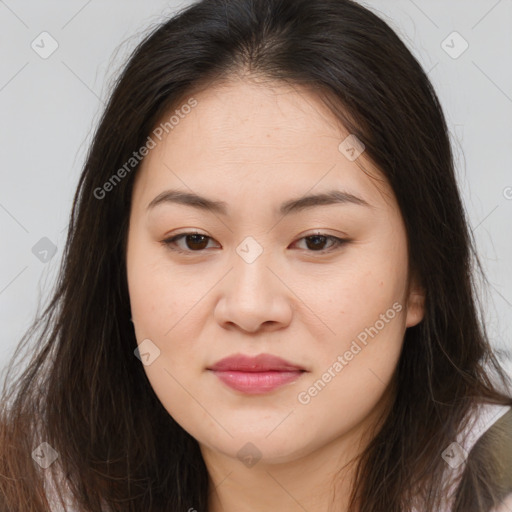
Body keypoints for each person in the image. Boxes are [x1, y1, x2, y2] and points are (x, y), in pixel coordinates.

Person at [1, 0, 511, 511]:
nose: (249, 307)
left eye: (317, 240)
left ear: (420, 274)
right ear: (119, 265)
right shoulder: (27, 482)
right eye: (193, 240)